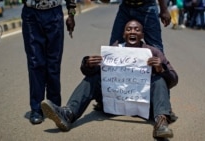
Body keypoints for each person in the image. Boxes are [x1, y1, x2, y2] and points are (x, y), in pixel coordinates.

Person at [41, 20, 178, 139]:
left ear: (142, 35)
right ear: (124, 34)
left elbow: (173, 80)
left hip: (144, 105)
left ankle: (161, 123)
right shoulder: (115, 50)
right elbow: (97, 73)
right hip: (114, 101)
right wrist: (88, 64)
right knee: (93, 77)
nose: (132, 32)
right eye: (128, 29)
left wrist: (161, 69)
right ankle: (68, 114)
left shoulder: (153, 52)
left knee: (159, 80)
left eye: (137, 30)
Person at [21, 0, 76, 124]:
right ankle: (36, 109)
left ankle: (55, 106)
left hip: (54, 14)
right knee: (35, 63)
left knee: (54, 64)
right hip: (31, 15)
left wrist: (71, 14)